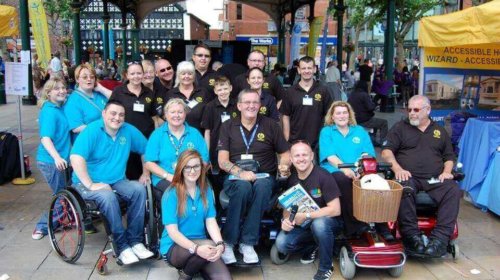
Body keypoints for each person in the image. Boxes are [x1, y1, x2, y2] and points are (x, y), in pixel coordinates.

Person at [70, 100, 154, 265]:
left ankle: (136, 241)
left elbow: (146, 149)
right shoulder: (92, 130)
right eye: (113, 113)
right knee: (108, 197)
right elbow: (76, 157)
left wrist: (145, 172)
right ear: (104, 114)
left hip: (116, 180)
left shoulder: (128, 130)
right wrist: (91, 185)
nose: (117, 118)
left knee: (138, 189)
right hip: (86, 183)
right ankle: (122, 246)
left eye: (121, 115)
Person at [381, 95, 461, 257]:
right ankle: (412, 237)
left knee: (453, 189)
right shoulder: (400, 128)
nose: (411, 113)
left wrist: (447, 172)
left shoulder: (439, 131)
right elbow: (386, 151)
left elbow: (449, 157)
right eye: (409, 109)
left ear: (428, 110)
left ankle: (440, 240)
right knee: (404, 187)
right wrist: (397, 169)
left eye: (416, 110)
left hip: (434, 178)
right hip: (409, 176)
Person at [217, 89, 290, 264]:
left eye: (255, 102)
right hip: (236, 176)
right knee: (242, 186)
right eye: (247, 102)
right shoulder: (228, 126)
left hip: (264, 176)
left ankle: (247, 243)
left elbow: (286, 152)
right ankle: (228, 242)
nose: (251, 106)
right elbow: (222, 161)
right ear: (239, 105)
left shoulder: (271, 125)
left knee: (263, 185)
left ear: (260, 105)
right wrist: (241, 173)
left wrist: (284, 165)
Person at [319, 101, 393, 239]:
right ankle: (355, 226)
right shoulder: (327, 131)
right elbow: (330, 157)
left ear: (349, 114)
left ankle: (382, 225)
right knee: (343, 179)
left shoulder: (359, 130)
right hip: (334, 170)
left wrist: (361, 168)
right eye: (338, 113)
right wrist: (346, 169)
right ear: (332, 116)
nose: (342, 116)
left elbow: (368, 154)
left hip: (358, 169)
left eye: (344, 112)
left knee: (377, 182)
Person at [275, 141, 341, 280]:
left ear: (312, 156)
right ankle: (313, 247)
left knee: (319, 224)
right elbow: (288, 207)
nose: (301, 158)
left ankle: (325, 268)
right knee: (282, 243)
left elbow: (335, 210)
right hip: (305, 225)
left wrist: (306, 215)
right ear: (291, 160)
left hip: (328, 223)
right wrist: (286, 220)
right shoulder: (291, 178)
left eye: (305, 154)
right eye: (297, 155)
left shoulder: (324, 176)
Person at [161, 150, 231, 280]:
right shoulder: (170, 194)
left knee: (225, 278)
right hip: (174, 247)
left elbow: (210, 221)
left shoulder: (206, 190)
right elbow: (173, 233)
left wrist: (220, 244)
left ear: (201, 167)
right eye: (187, 167)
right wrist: (196, 248)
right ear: (181, 168)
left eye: (196, 166)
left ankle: (189, 271)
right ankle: (186, 275)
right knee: (209, 246)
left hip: (202, 244)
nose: (192, 171)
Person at [145, 98, 209, 207]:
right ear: (166, 114)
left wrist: (190, 175)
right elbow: (149, 163)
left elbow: (204, 160)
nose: (177, 115)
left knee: (200, 193)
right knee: (177, 193)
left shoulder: (194, 133)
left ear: (185, 114)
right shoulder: (157, 135)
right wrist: (168, 176)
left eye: (180, 112)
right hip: (165, 177)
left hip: (192, 176)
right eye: (172, 112)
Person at [32, 77, 71, 240]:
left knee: (64, 193)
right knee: (62, 195)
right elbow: (45, 138)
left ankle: (58, 221)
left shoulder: (60, 107)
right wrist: (56, 158)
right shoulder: (49, 111)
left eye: (63, 88)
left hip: (60, 160)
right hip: (51, 161)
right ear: (48, 93)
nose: (62, 91)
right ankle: (42, 226)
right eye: (57, 89)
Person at [109, 61, 156, 181]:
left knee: (145, 174)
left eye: (139, 73)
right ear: (127, 75)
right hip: (124, 138)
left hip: (145, 138)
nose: (136, 76)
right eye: (133, 73)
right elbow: (110, 112)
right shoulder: (118, 92)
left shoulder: (149, 93)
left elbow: (154, 116)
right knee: (126, 171)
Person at [280, 56, 332, 152]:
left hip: (318, 143)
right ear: (299, 70)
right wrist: (287, 140)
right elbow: (285, 116)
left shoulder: (323, 90)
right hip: (295, 142)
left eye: (309, 68)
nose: (306, 71)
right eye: (303, 68)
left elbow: (330, 114)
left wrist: (327, 137)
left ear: (314, 69)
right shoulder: (290, 92)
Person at [201, 76, 239, 174]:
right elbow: (207, 131)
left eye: (225, 88)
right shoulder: (209, 107)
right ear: (215, 91)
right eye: (220, 90)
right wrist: (206, 154)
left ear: (231, 88)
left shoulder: (238, 105)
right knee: (217, 176)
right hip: (216, 148)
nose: (223, 92)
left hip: (234, 146)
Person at [64, 63, 112, 139]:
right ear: (77, 79)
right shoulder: (73, 100)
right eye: (84, 77)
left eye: (92, 77)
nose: (89, 79)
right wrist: (103, 129)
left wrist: (101, 89)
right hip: (89, 141)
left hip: (107, 139)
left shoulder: (99, 93)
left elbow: (118, 99)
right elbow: (76, 128)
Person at [166, 61, 209, 134]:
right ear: (178, 76)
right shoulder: (170, 94)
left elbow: (209, 115)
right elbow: (166, 116)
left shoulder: (203, 92)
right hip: (177, 135)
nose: (186, 76)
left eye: (190, 73)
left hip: (199, 134)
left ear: (194, 75)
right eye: (183, 74)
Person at [347, 81, 388, 145]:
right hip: (363, 120)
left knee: (376, 122)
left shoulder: (352, 94)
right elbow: (371, 107)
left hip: (353, 119)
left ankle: (372, 140)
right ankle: (383, 143)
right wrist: (376, 102)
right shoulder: (364, 95)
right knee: (384, 123)